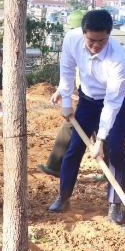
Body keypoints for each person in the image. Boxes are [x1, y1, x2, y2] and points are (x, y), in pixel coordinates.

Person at [48, 9, 125, 224]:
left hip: (118, 102)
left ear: (109, 36)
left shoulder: (118, 58)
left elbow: (112, 103)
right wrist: (67, 102)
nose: (96, 45)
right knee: (75, 146)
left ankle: (115, 204)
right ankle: (64, 195)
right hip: (87, 99)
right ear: (83, 33)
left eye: (102, 40)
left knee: (115, 149)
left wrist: (101, 140)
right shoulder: (72, 39)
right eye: (91, 40)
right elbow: (67, 71)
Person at [37, 10, 84, 178]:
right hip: (85, 94)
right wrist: (61, 91)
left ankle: (110, 172)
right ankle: (55, 166)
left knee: (104, 136)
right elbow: (68, 71)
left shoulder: (94, 46)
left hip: (101, 97)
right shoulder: (75, 44)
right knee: (69, 126)